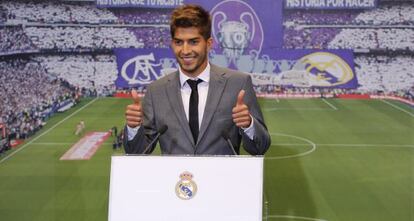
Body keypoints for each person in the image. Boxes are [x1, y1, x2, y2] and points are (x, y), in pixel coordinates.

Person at [124, 4, 271, 155]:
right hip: (176, 179)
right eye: (179, 42)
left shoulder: (238, 84)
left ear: (208, 44)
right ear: (172, 43)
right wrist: (134, 128)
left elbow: (260, 148)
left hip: (222, 178)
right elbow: (138, 152)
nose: (185, 50)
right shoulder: (156, 91)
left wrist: (248, 124)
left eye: (193, 42)